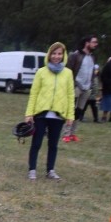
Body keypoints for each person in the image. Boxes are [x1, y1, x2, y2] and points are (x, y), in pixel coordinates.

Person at [24, 42, 74, 181]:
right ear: (49, 54)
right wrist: (29, 114)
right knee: (37, 143)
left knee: (53, 144)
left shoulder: (68, 73)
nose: (56, 56)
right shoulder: (41, 72)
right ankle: (32, 169)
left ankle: (50, 170)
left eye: (59, 54)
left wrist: (70, 115)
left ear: (63, 55)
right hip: (41, 114)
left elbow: (70, 95)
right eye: (54, 53)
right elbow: (34, 93)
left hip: (58, 115)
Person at [62, 35, 99, 142]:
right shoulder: (75, 55)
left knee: (79, 111)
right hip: (76, 87)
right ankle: (66, 133)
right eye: (94, 42)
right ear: (87, 43)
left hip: (87, 88)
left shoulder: (92, 57)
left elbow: (92, 72)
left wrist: (91, 84)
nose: (95, 44)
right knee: (70, 110)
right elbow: (68, 71)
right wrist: (70, 85)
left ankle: (73, 133)